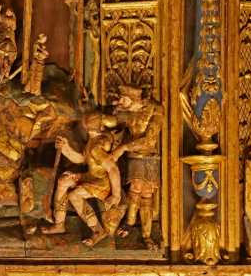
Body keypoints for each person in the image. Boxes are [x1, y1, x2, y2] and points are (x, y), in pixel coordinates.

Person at [42, 113, 123, 247]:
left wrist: (116, 195)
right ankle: (59, 224)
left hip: (101, 182)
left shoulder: (97, 146)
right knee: (63, 181)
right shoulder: (92, 141)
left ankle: (98, 230)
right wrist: (65, 148)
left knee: (74, 195)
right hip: (90, 176)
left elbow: (113, 169)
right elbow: (81, 159)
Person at [111, 85, 161, 250]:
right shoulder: (127, 112)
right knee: (135, 188)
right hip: (134, 157)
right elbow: (112, 123)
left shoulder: (154, 110)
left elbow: (149, 140)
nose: (120, 102)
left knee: (147, 194)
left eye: (123, 99)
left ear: (133, 99)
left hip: (149, 156)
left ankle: (146, 235)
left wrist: (123, 148)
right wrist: (114, 112)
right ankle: (129, 223)